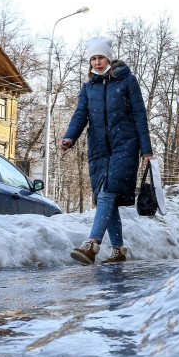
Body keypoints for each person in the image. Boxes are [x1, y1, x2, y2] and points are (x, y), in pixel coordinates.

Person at [59, 36, 153, 265]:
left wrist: (146, 150)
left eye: (101, 57)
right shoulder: (88, 88)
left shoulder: (127, 81)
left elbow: (140, 115)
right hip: (99, 149)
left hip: (125, 145)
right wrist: (70, 137)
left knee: (107, 193)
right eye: (93, 58)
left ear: (108, 58)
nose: (97, 62)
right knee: (106, 197)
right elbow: (80, 114)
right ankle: (118, 249)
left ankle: (92, 243)